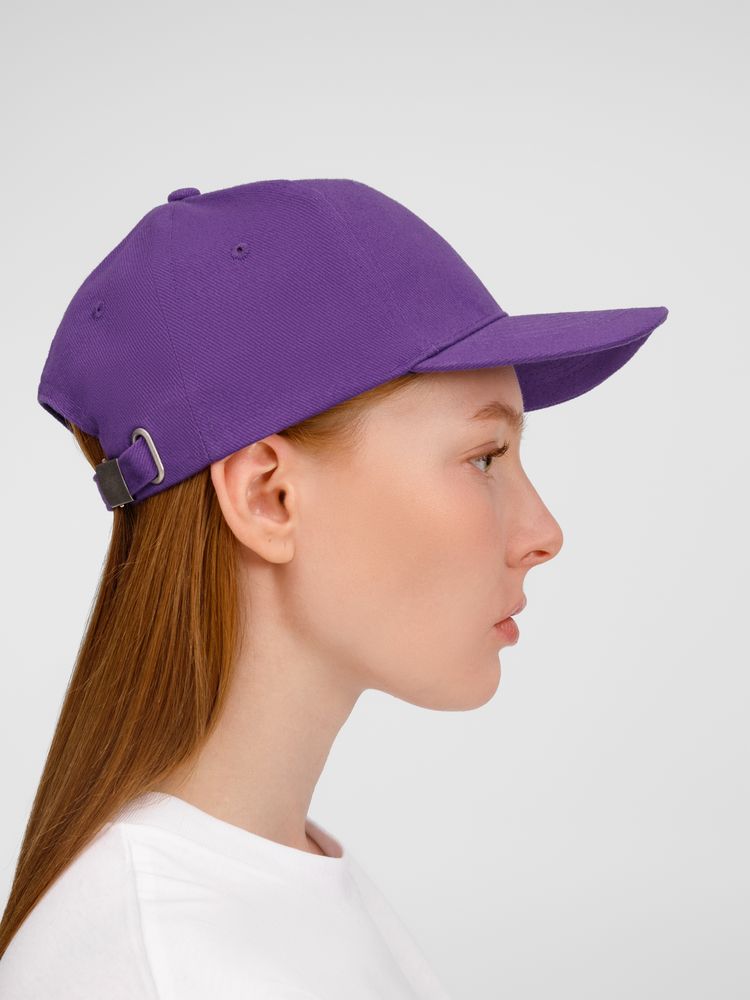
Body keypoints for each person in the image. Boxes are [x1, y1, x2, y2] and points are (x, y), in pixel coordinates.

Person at [0, 178, 669, 998]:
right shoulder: (161, 964)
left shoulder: (274, 876)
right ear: (268, 497)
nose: (544, 533)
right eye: (485, 458)